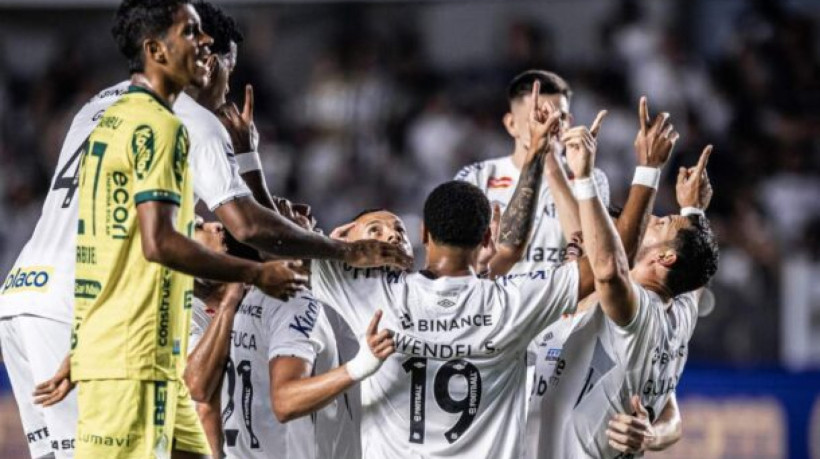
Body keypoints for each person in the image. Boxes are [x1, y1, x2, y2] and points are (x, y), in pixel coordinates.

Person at [4, 2, 409, 458]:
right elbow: (248, 226)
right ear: (208, 62)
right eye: (227, 73)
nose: (225, 90)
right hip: (75, 309)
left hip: (23, 294)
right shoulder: (189, 119)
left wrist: (246, 164)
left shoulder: (99, 106)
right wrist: (345, 252)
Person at [521, 94, 718, 458]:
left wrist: (643, 170)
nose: (652, 219)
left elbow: (610, 268)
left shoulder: (636, 312)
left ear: (665, 257)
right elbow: (672, 416)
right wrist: (693, 209)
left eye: (662, 222)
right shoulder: (681, 309)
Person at [455, 70, 610, 274]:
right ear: (511, 124)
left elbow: (593, 256)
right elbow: (463, 262)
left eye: (560, 117)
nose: (550, 125)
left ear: (569, 122)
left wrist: (550, 162)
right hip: (497, 293)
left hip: (563, 294)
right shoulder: (476, 178)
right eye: (538, 116)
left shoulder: (590, 178)